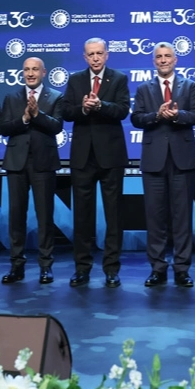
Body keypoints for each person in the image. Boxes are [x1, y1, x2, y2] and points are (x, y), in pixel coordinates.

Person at [130, 42, 195, 287]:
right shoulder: (144, 88)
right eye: (159, 57)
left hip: (182, 159)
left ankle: (182, 269)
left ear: (175, 60)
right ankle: (157, 268)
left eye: (167, 56)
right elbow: (136, 118)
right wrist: (157, 115)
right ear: (154, 61)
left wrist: (179, 115)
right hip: (154, 161)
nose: (163, 60)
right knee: (155, 217)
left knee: (182, 217)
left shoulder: (189, 85)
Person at [62, 37, 129, 288]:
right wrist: (82, 108)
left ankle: (112, 269)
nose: (96, 58)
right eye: (91, 54)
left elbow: (123, 110)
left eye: (99, 53)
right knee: (82, 216)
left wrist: (101, 105)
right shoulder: (75, 80)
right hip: (83, 157)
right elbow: (66, 112)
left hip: (111, 156)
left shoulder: (119, 78)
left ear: (107, 55)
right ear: (85, 57)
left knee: (114, 215)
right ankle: (82, 268)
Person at [0, 57, 64, 285]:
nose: (30, 73)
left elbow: (57, 126)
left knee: (45, 216)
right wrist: (25, 118)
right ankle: (16, 266)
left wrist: (38, 115)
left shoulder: (55, 96)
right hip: (16, 162)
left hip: (43, 163)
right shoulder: (12, 97)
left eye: (35, 69)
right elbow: (4, 128)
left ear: (44, 72)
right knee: (16, 216)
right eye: (26, 69)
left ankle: (46, 266)